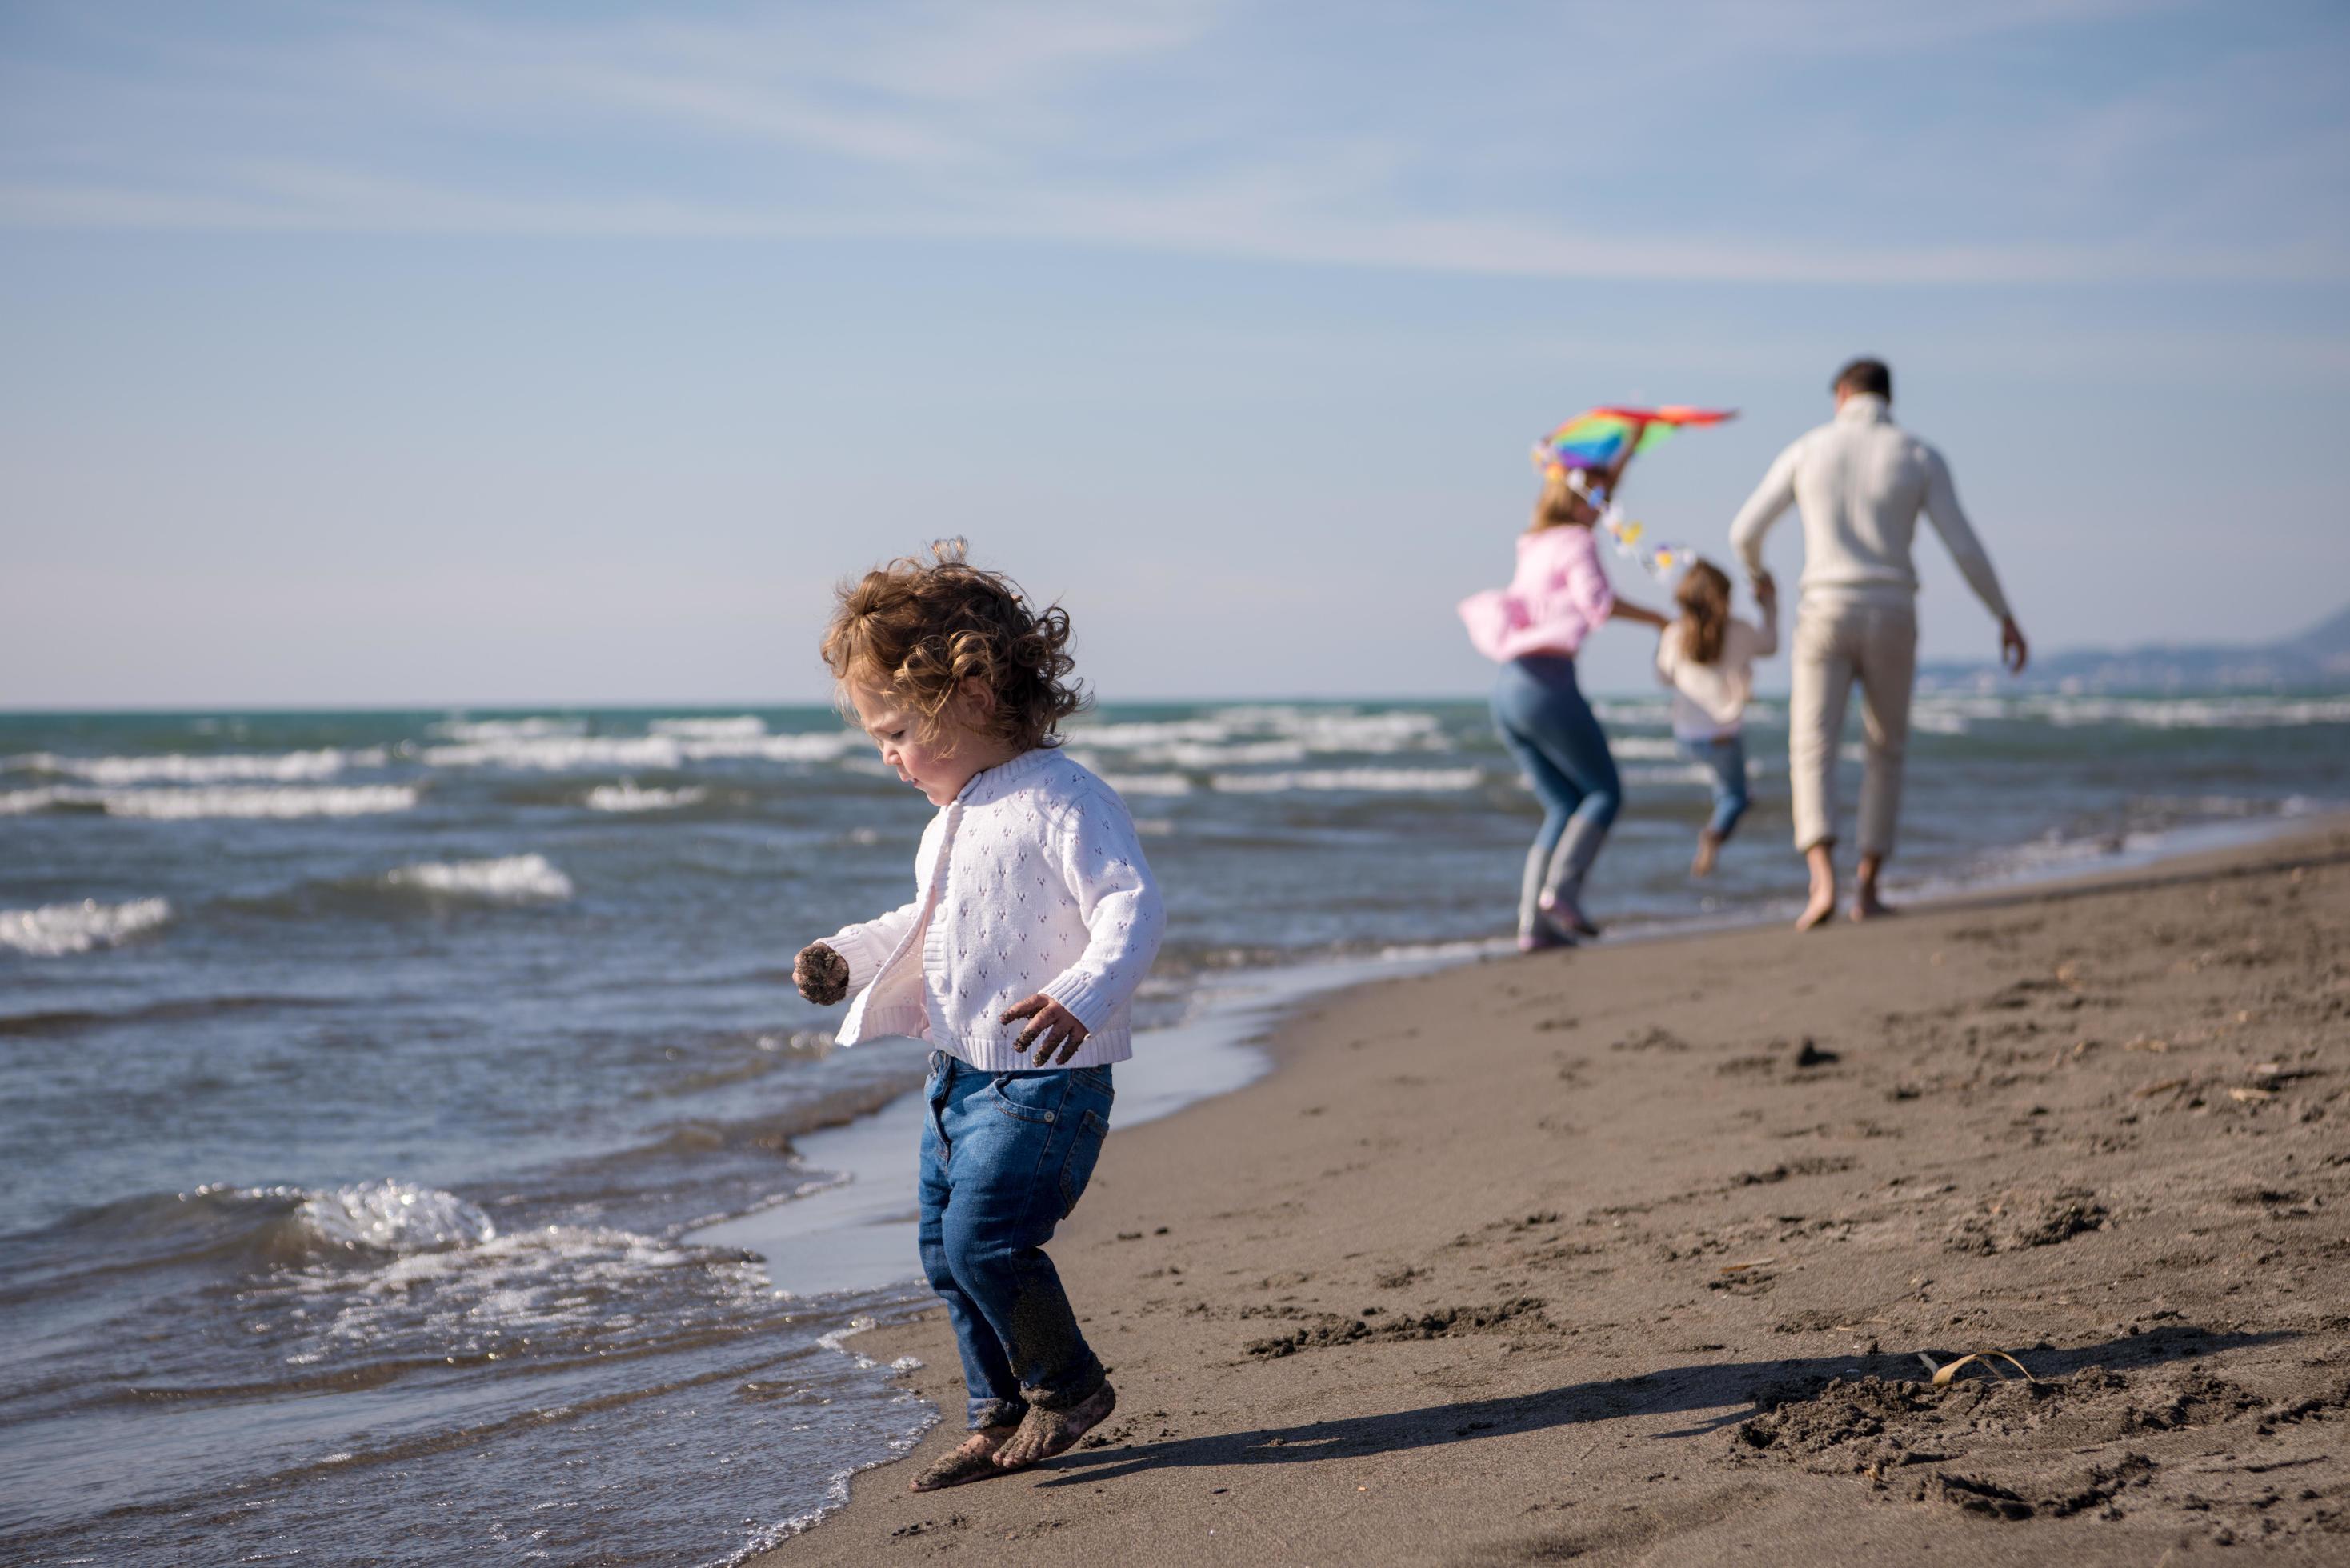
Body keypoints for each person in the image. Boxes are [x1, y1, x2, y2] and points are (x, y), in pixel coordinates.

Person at [791, 543, 1163, 1490]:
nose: (886, 754)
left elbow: (1131, 905)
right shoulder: (950, 817)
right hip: (958, 1078)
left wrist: (1083, 995)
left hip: (1046, 1081)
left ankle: (1068, 1387)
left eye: (892, 730)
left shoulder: (1064, 798)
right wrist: (847, 953)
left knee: (985, 1241)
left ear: (968, 692)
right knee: (943, 1254)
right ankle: (995, 1414)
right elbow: (922, 925)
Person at [1728, 358, 2028, 930]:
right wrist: (2003, 616)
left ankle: (1820, 884)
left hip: (1823, 609)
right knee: (1884, 748)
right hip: (1891, 611)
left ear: (1841, 394)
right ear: (1887, 397)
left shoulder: (1806, 449)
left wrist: (1757, 574)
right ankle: (1866, 888)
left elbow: (1743, 531)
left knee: (1810, 746)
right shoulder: (1917, 455)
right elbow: (1963, 547)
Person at [1461, 450, 1668, 950]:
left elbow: (1597, 484)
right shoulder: (1576, 541)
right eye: (1599, 500)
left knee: (1561, 805)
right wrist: (1664, 621)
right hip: (1548, 685)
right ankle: (1562, 894)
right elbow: (1598, 605)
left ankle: (1532, 927)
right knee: (1604, 793)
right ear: (1579, 501)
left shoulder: (1534, 543)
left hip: (1509, 689)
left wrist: (1632, 441)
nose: (1606, 510)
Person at [1653, 558, 1777, 877]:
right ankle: (1712, 836)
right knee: (1737, 798)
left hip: (1688, 736)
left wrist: (1664, 639)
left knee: (1725, 790)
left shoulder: (1674, 634)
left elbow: (1663, 677)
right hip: (1723, 734)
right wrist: (1769, 605)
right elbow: (1770, 646)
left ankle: (1716, 822)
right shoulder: (1741, 631)